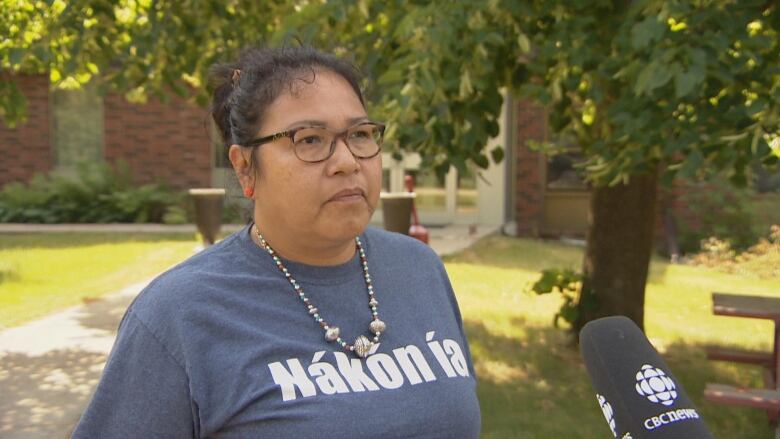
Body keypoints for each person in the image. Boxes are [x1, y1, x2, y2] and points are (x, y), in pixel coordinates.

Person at [73, 46, 481, 438]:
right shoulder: (180, 314)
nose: (347, 162)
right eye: (309, 140)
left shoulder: (419, 269)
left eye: (359, 134)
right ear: (245, 167)